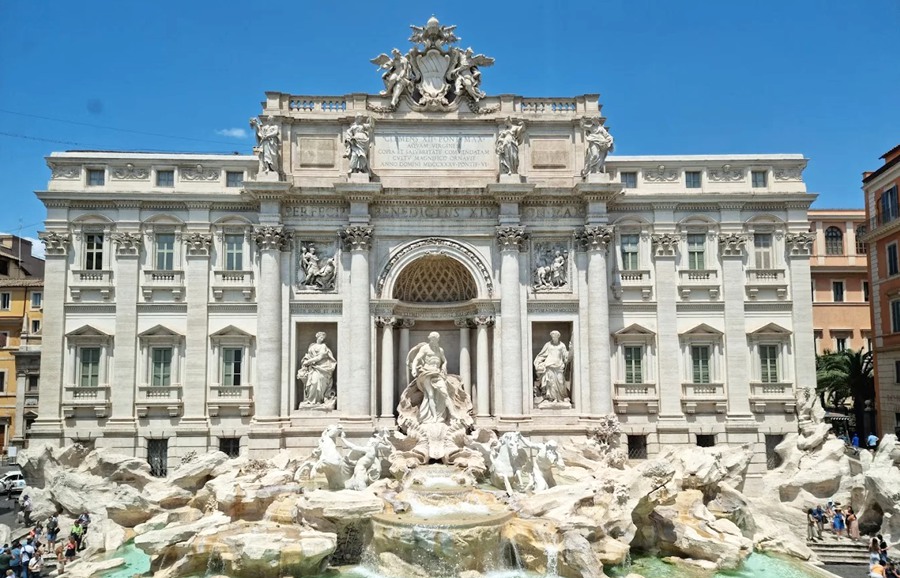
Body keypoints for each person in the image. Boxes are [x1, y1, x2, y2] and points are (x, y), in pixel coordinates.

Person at [297, 332, 337, 406]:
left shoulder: (323, 346)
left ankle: (318, 401)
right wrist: (306, 360)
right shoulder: (312, 346)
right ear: (317, 337)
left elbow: (319, 357)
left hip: (322, 368)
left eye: (323, 338)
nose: (322, 339)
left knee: (317, 382)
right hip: (312, 368)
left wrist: (309, 361)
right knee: (312, 383)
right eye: (321, 337)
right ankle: (310, 400)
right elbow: (308, 355)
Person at [533, 331, 570, 403]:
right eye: (552, 337)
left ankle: (561, 397)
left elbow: (565, 356)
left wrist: (569, 353)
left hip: (559, 367)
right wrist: (538, 362)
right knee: (551, 383)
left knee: (561, 381)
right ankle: (553, 399)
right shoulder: (548, 345)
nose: (554, 338)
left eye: (555, 336)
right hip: (549, 366)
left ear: (558, 337)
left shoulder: (562, 345)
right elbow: (542, 354)